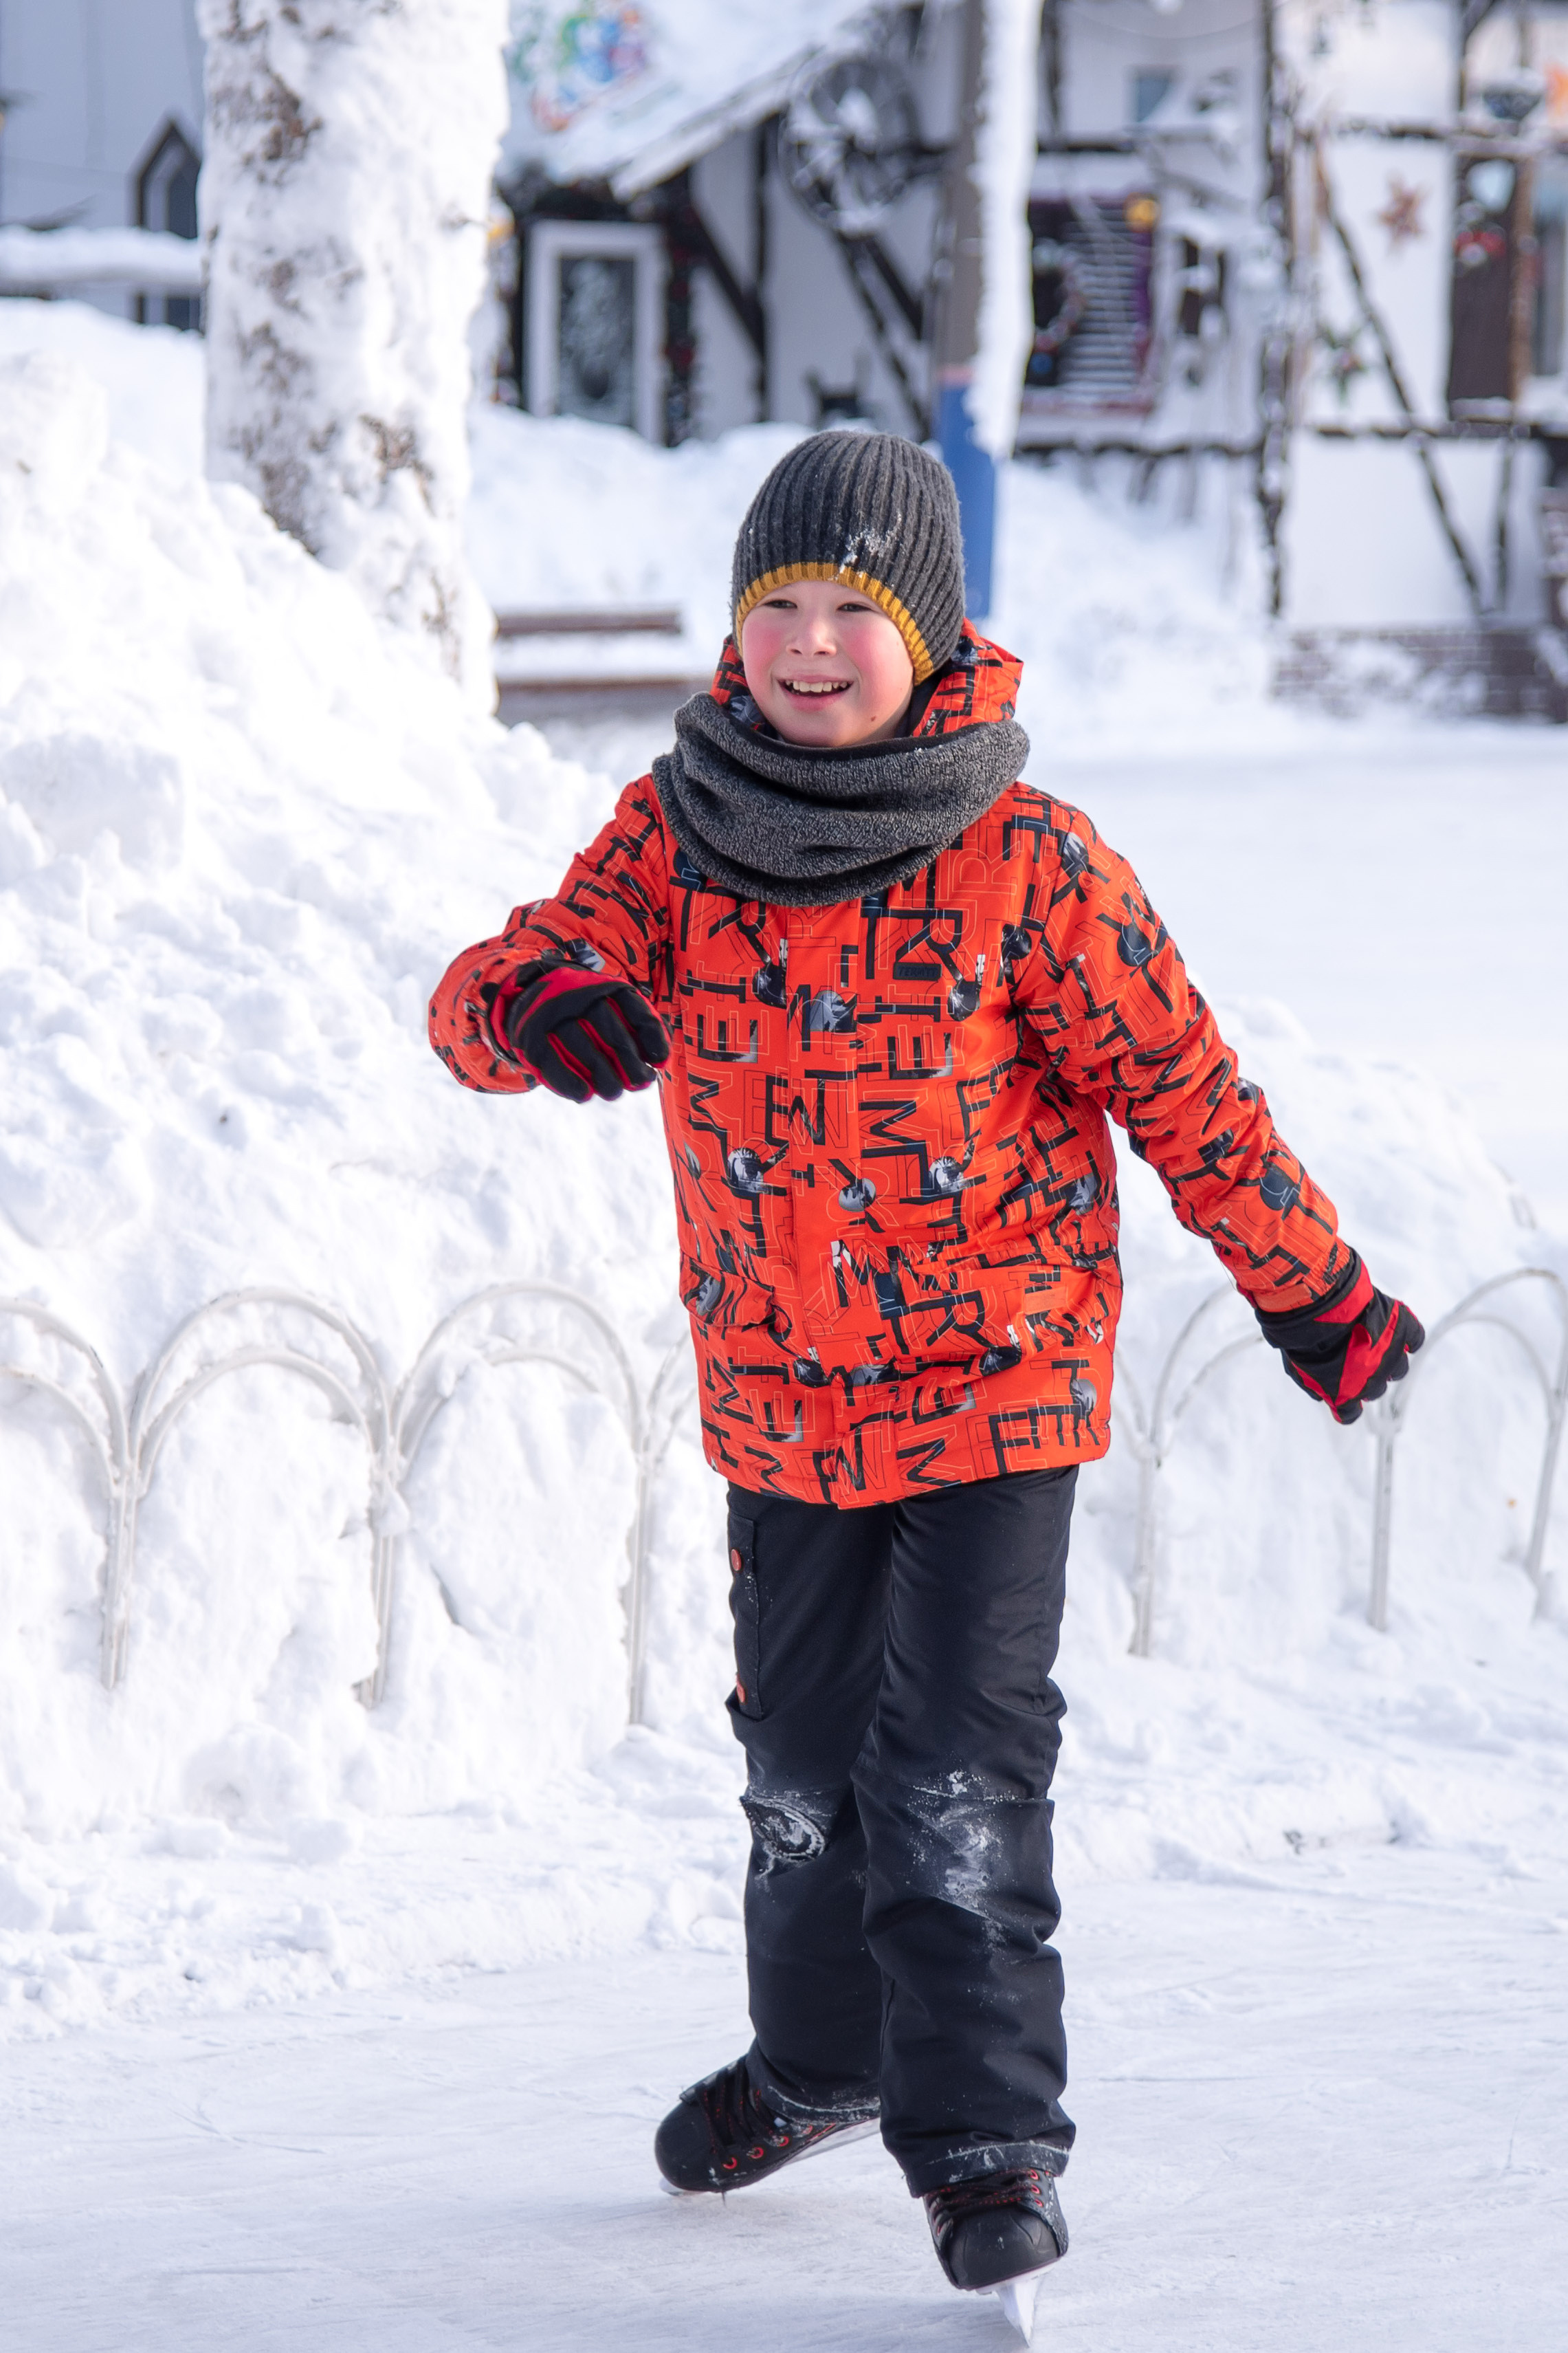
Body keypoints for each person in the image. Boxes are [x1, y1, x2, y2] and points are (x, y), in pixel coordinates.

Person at [429, 433, 1422, 2317]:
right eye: (776, 608)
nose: (807, 648)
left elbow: (1188, 1095)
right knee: (799, 1771)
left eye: (849, 614)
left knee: (950, 1767)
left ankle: (984, 2136)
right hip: (780, 1399)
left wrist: (1318, 1295)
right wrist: (539, 1005)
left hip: (995, 1396)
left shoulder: (1025, 862)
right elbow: (487, 989)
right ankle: (817, 2061)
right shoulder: (677, 830)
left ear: (931, 629)